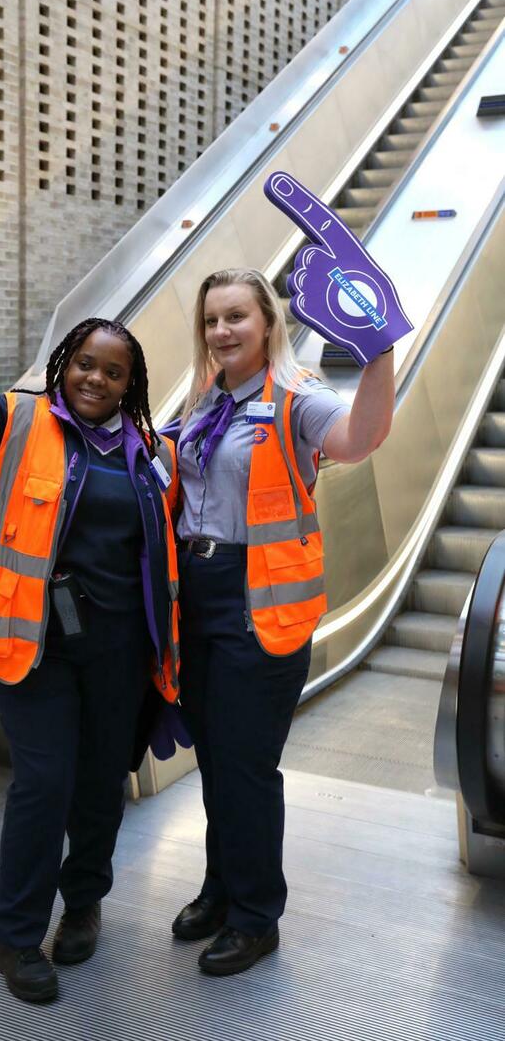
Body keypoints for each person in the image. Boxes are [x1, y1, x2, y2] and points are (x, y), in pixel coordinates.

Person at [0, 311, 180, 1004]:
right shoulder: (17, 425)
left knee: (98, 785)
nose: (96, 378)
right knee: (44, 784)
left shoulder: (150, 452)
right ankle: (18, 937)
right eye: (86, 363)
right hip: (34, 647)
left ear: (129, 385)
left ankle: (84, 903)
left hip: (120, 653)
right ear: (65, 363)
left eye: (113, 372)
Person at [169, 267, 394, 976]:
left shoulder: (297, 398)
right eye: (211, 321)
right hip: (197, 598)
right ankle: (219, 887)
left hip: (258, 604)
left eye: (236, 316)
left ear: (267, 321)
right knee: (214, 761)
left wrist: (379, 351)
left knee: (247, 766)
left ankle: (256, 916)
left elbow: (359, 439)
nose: (222, 332)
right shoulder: (207, 402)